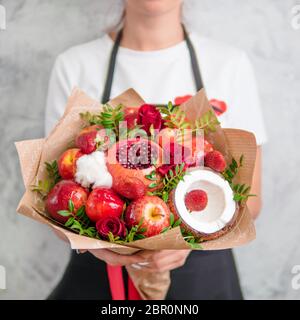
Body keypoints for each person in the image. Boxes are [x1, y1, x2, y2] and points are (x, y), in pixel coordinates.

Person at [45, 0, 267, 300]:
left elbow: (250, 201)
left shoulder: (229, 64)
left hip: (204, 278)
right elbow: (54, 199)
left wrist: (186, 241)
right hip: (100, 280)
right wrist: (103, 245)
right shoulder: (76, 65)